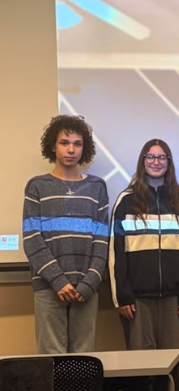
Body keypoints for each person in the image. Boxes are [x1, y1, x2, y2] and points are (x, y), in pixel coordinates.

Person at [109, 139, 179, 391]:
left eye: (162, 157)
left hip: (175, 299)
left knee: (174, 364)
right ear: (142, 161)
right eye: (151, 156)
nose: (156, 161)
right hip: (138, 299)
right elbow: (116, 253)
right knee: (141, 366)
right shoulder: (125, 201)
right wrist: (122, 296)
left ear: (169, 162)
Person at [23, 115, 109, 353]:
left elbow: (102, 240)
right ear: (53, 145)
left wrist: (90, 282)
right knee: (51, 360)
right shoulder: (37, 186)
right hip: (49, 287)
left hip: (86, 289)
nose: (71, 149)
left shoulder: (97, 187)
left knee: (83, 360)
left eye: (77, 143)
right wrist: (58, 281)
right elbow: (32, 240)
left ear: (85, 148)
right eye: (64, 142)